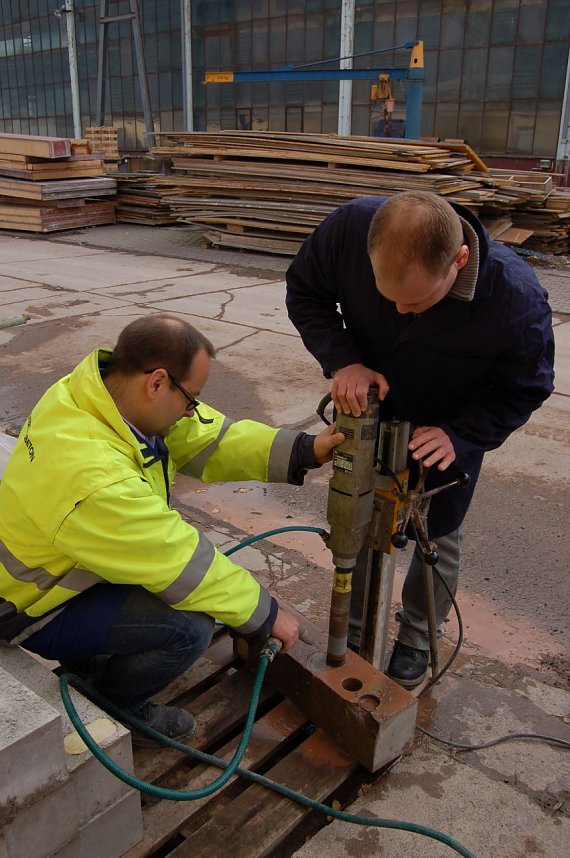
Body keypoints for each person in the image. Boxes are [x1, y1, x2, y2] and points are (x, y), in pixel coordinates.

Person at [0, 314, 343, 739]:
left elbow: (210, 438)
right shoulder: (91, 476)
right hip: (36, 605)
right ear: (157, 382)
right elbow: (177, 560)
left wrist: (307, 449)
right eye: (190, 397)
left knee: (201, 599)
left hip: (69, 570)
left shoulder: (93, 395)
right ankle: (113, 708)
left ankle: (90, 659)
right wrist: (265, 614)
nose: (192, 411)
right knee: (190, 627)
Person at [286, 190, 555, 689]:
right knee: (360, 517)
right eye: (389, 299)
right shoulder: (350, 228)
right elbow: (305, 292)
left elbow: (527, 387)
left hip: (449, 428)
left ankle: (415, 636)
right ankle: (355, 632)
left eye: (417, 301)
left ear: (459, 260)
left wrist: (466, 434)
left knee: (439, 533)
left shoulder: (515, 300)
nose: (402, 311)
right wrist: (343, 358)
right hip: (369, 405)